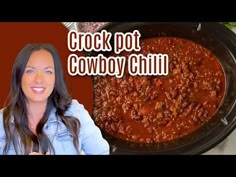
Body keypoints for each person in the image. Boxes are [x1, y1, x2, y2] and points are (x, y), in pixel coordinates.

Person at [0, 43, 110, 155]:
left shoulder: (75, 112)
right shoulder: (1, 122)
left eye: (48, 72)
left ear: (56, 78)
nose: (39, 79)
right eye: (30, 71)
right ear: (18, 76)